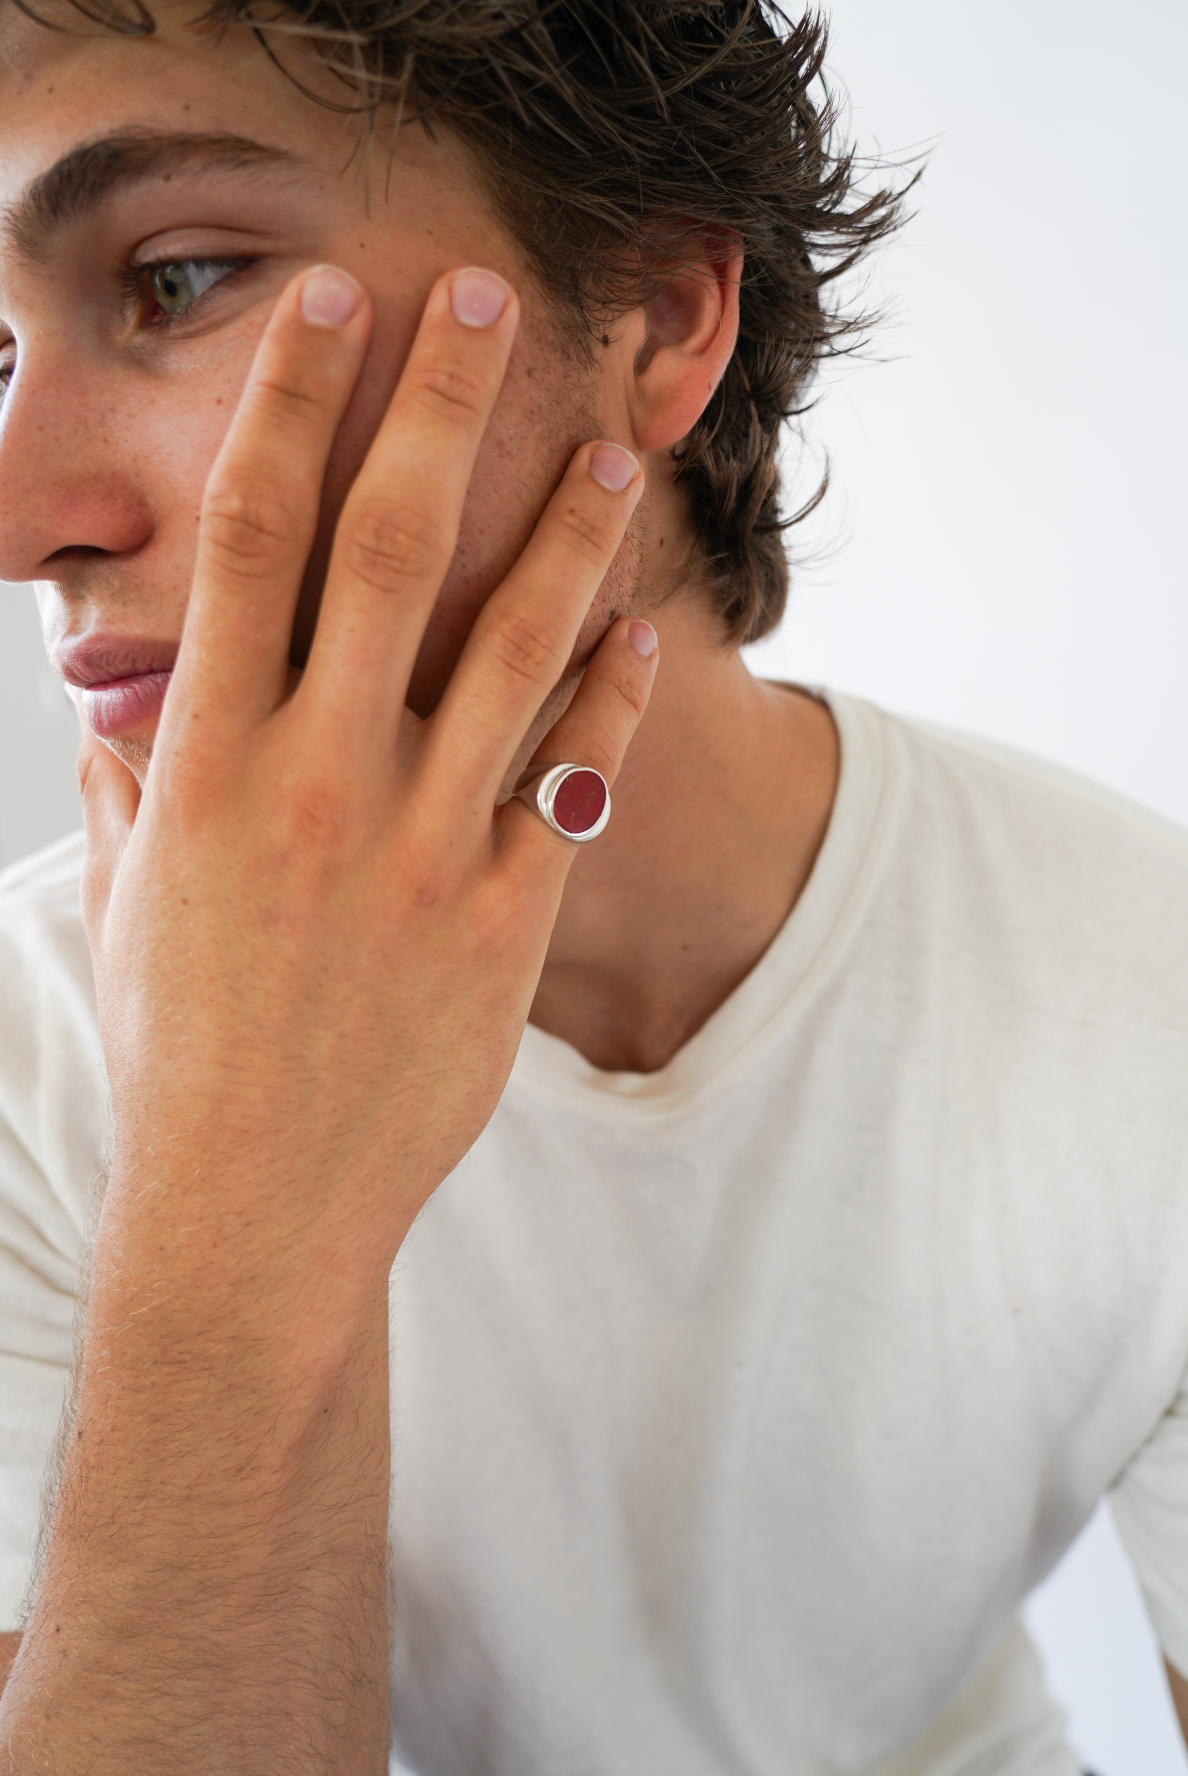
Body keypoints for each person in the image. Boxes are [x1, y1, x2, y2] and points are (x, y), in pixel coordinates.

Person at [0, 1, 1185, 1770]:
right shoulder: (28, 1059)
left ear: (656, 317)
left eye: (175, 279)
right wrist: (234, 1193)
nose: (24, 508)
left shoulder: (1136, 987)